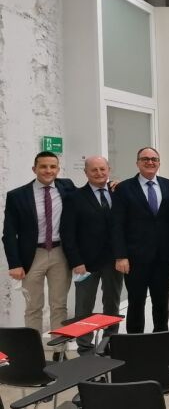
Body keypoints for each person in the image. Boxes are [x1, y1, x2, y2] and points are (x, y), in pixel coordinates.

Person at [3, 151, 76, 343]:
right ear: (34, 169)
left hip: (60, 254)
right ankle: (32, 351)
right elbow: (9, 234)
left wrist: (113, 185)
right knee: (33, 307)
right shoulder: (17, 196)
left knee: (59, 305)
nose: (48, 170)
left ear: (58, 169)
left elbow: (88, 195)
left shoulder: (67, 187)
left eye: (53, 167)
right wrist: (15, 264)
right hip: (32, 256)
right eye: (43, 166)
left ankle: (59, 351)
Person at [112, 147, 169, 333]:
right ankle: (135, 342)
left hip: (163, 258)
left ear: (159, 163)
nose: (150, 162)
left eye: (154, 159)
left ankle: (161, 338)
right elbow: (117, 224)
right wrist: (120, 256)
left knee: (162, 302)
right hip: (135, 259)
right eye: (145, 159)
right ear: (137, 163)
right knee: (136, 302)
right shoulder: (124, 188)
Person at [61, 156, 123, 355]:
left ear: (109, 169)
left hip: (114, 260)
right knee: (83, 306)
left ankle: (110, 342)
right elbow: (67, 233)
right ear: (86, 172)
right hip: (85, 263)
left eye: (102, 169)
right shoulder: (75, 197)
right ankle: (85, 347)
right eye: (94, 170)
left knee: (112, 303)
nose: (99, 173)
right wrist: (76, 261)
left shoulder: (118, 193)